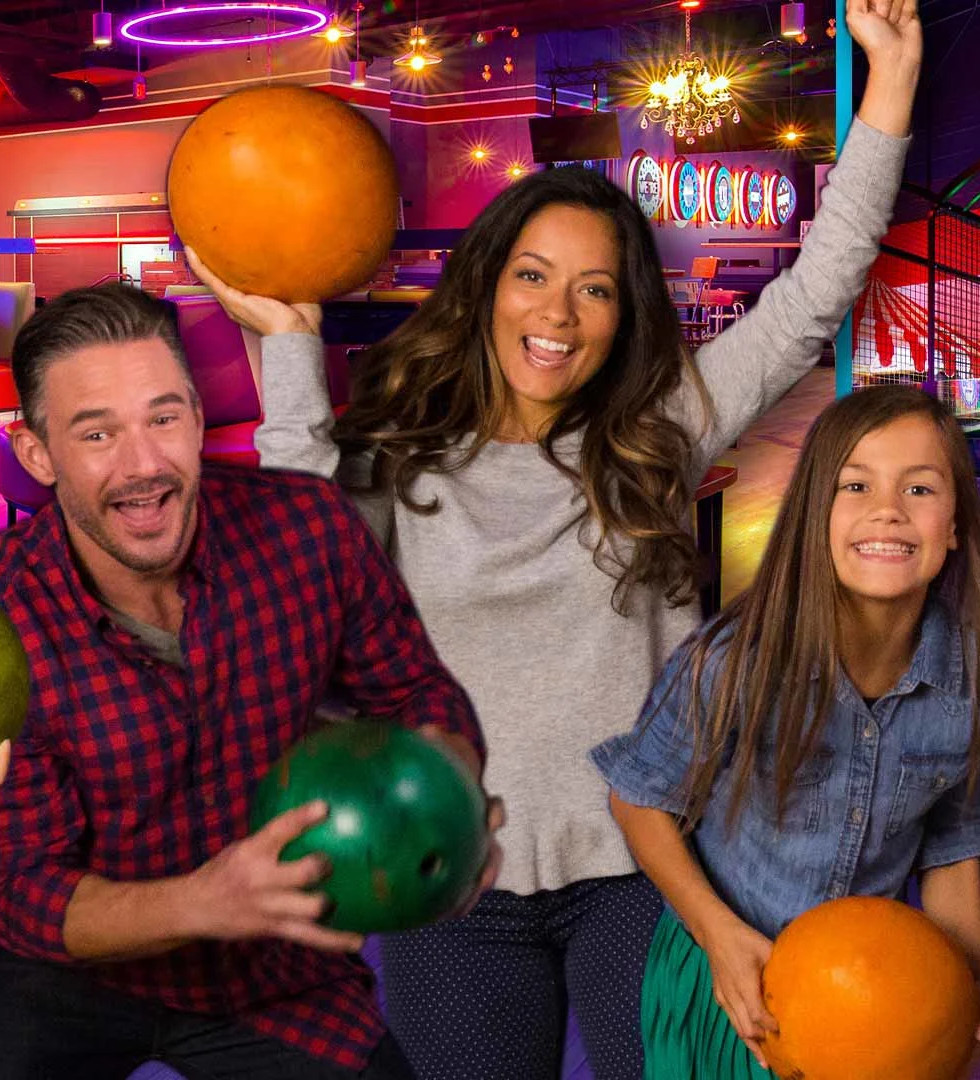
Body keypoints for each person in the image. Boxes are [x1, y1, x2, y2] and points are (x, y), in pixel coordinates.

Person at [185, 1, 922, 1074]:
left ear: (624, 316)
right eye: (533, 275)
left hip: (651, 865)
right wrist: (291, 347)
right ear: (487, 285)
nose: (559, 314)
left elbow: (815, 292)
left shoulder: (660, 430)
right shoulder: (403, 452)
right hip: (450, 869)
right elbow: (309, 575)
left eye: (595, 290)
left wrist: (890, 78)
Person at [0, 283, 501, 1080]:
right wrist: (204, 900)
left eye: (163, 418)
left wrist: (450, 784)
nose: (145, 465)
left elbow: (415, 690)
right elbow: (22, 888)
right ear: (36, 454)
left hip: (272, 964)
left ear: (198, 416)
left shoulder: (307, 527)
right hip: (70, 973)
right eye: (98, 433)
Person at [592, 386, 980, 1078]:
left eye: (919, 488)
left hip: (869, 999)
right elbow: (638, 798)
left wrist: (973, 977)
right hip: (728, 979)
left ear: (955, 527)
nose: (888, 509)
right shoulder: (733, 662)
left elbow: (953, 837)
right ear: (814, 514)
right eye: (856, 485)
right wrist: (718, 934)